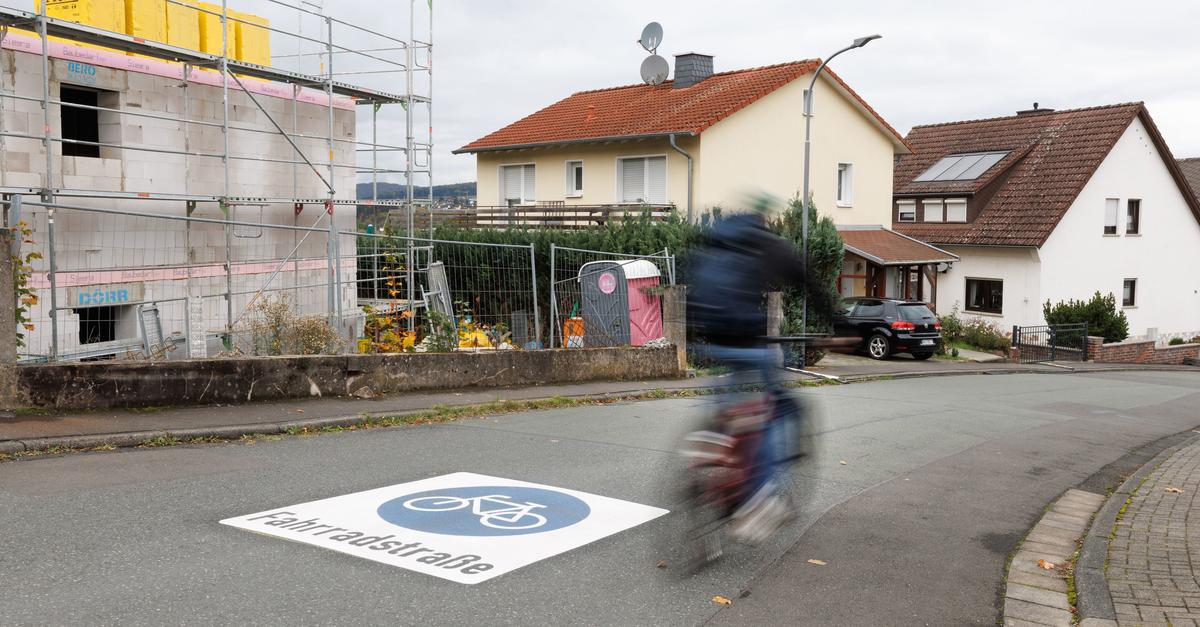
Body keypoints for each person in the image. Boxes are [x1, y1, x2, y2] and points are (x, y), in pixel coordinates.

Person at [686, 194, 818, 544]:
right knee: (773, 409)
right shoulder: (765, 243)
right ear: (766, 219)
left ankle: (714, 438)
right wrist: (838, 322)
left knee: (731, 401)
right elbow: (806, 281)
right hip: (749, 343)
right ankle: (760, 500)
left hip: (710, 339)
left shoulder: (715, 241)